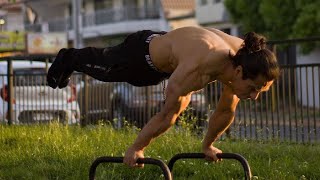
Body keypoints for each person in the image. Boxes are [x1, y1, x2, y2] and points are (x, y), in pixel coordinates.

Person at [47, 26, 280, 167]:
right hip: (141, 58)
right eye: (253, 89)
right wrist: (137, 148)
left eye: (260, 90)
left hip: (168, 52)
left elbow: (226, 110)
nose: (254, 96)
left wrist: (208, 145)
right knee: (103, 68)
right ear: (239, 72)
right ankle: (67, 58)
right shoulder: (198, 69)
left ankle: (71, 61)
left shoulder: (247, 55)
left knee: (104, 66)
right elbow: (168, 114)